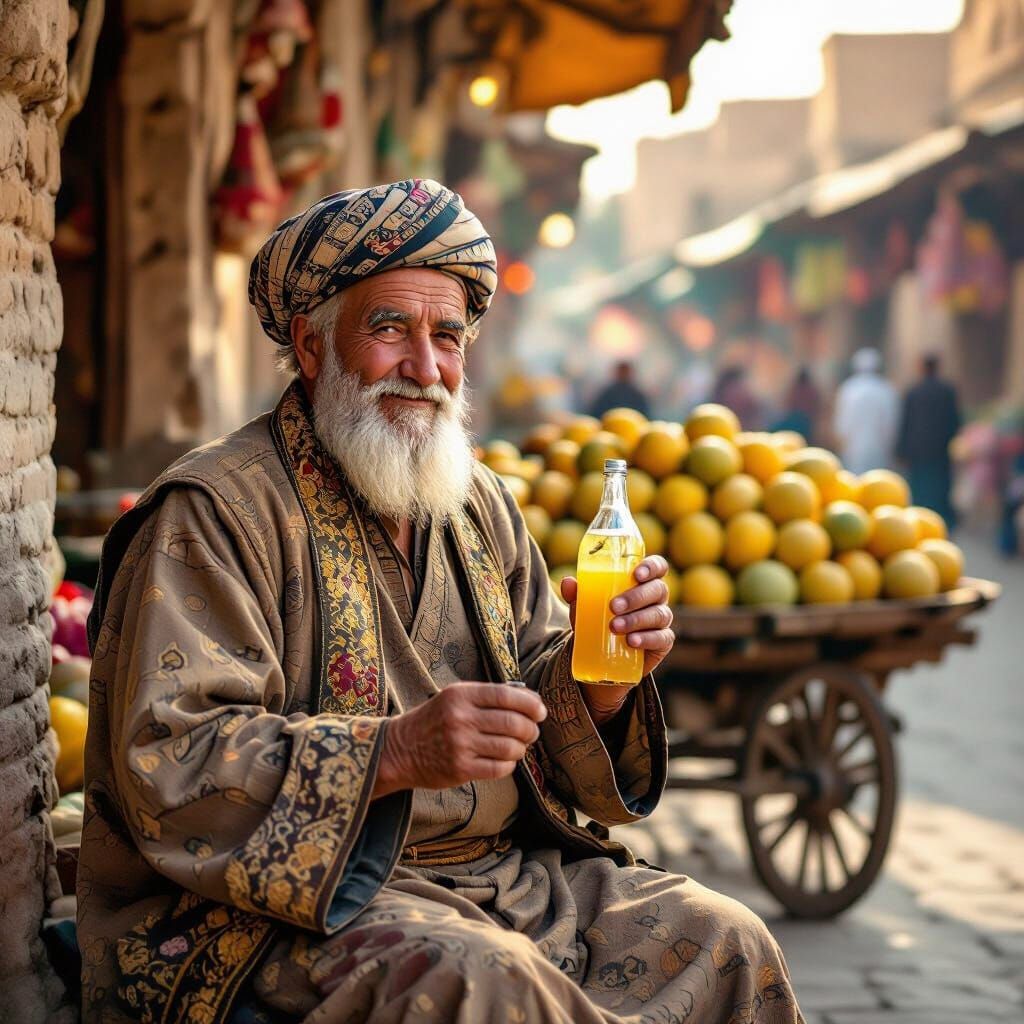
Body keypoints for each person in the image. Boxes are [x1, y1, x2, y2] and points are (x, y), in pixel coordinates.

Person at [78, 180, 803, 1024]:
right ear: (311, 347)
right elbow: (171, 757)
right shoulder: (215, 512)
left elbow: (542, 705)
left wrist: (600, 684)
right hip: (287, 912)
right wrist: (391, 752)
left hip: (502, 878)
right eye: (390, 330)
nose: (426, 369)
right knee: (481, 984)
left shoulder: (479, 502)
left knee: (728, 937)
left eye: (448, 337)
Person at [896, 353, 961, 529]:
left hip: (918, 450)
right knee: (940, 487)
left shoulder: (914, 391)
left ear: (922, 367)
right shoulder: (947, 391)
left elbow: (905, 423)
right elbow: (955, 421)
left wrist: (901, 450)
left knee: (920, 488)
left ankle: (919, 523)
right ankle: (941, 523)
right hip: (940, 449)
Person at [832, 348, 900, 475]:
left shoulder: (849, 388)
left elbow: (843, 421)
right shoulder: (885, 389)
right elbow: (891, 421)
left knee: (855, 479)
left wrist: (841, 439)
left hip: (854, 445)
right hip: (879, 444)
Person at [772, 367, 821, 445]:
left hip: (796, 420)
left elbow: (786, 403)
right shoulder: (812, 391)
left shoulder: (794, 389)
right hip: (806, 422)